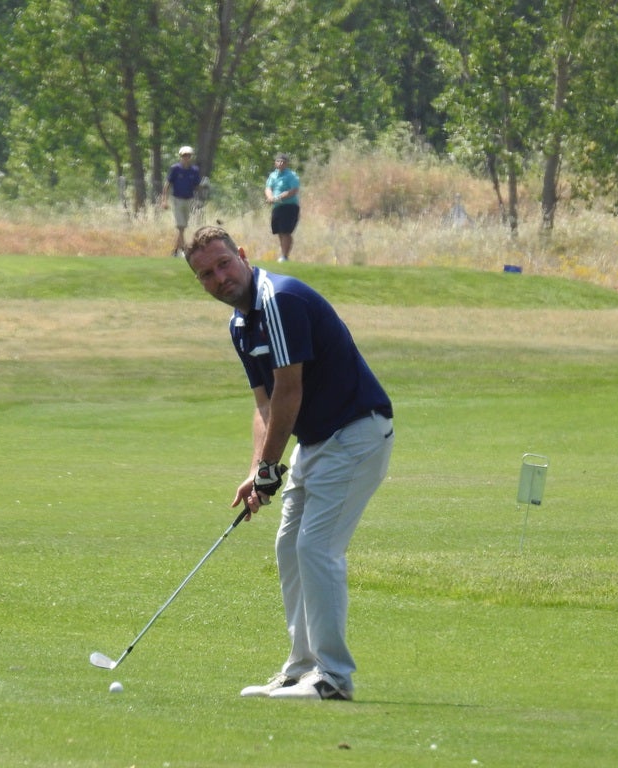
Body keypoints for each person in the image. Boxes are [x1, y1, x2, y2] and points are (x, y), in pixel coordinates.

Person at [185, 225, 394, 701]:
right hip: (320, 441)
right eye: (206, 274)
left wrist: (270, 470)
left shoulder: (277, 300)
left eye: (223, 264)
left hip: (357, 432)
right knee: (289, 547)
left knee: (316, 549)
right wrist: (258, 469)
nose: (219, 278)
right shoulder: (239, 324)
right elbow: (265, 405)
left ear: (241, 255)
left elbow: (289, 390)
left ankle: (333, 678)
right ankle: (302, 668)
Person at [160, 146, 203, 258]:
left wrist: (203, 188)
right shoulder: (175, 169)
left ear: (191, 157)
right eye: (184, 156)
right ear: (181, 156)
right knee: (181, 226)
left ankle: (175, 251)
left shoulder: (194, 170)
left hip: (189, 199)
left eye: (188, 156)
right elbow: (167, 184)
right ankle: (184, 250)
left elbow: (197, 186)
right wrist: (164, 200)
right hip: (177, 199)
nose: (186, 158)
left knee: (183, 227)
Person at [264, 153, 300, 262]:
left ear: (286, 164)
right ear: (275, 163)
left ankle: (284, 256)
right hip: (277, 207)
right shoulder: (273, 175)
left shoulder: (291, 175)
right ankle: (283, 255)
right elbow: (268, 188)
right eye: (278, 161)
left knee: (286, 231)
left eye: (283, 162)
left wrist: (278, 197)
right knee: (279, 231)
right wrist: (270, 197)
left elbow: (293, 190)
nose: (280, 163)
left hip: (289, 207)